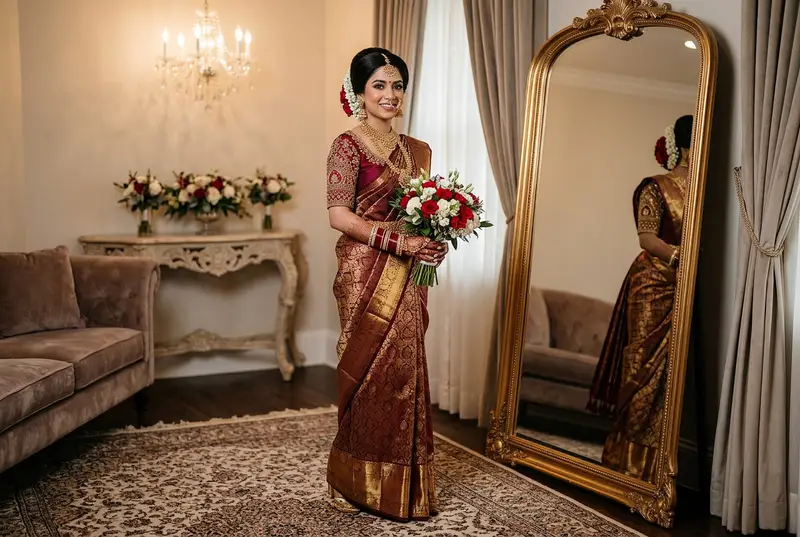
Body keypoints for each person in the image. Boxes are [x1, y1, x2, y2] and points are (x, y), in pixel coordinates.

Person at [325, 47, 446, 521]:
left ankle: (401, 483)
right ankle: (358, 478)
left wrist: (436, 241)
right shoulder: (346, 146)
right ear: (360, 92)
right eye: (379, 85)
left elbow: (427, 213)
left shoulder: (419, 151)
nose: (390, 94)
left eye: (397, 85)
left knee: (404, 372)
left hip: (409, 273)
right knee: (369, 372)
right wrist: (398, 241)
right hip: (363, 270)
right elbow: (339, 215)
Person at [586, 115, 693, 482]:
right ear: (687, 145)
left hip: (687, 287)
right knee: (641, 367)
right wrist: (684, 258)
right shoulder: (656, 187)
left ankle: (660, 467)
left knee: (671, 376)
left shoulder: (707, 190)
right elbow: (647, 239)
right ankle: (628, 463)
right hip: (651, 286)